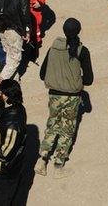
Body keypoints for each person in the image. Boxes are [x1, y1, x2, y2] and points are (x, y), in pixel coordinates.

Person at [35, 17, 92, 178]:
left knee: (52, 124)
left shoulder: (53, 48)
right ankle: (59, 165)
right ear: (79, 31)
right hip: (72, 97)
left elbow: (42, 74)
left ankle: (42, 159)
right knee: (67, 130)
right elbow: (89, 79)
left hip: (54, 94)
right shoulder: (82, 51)